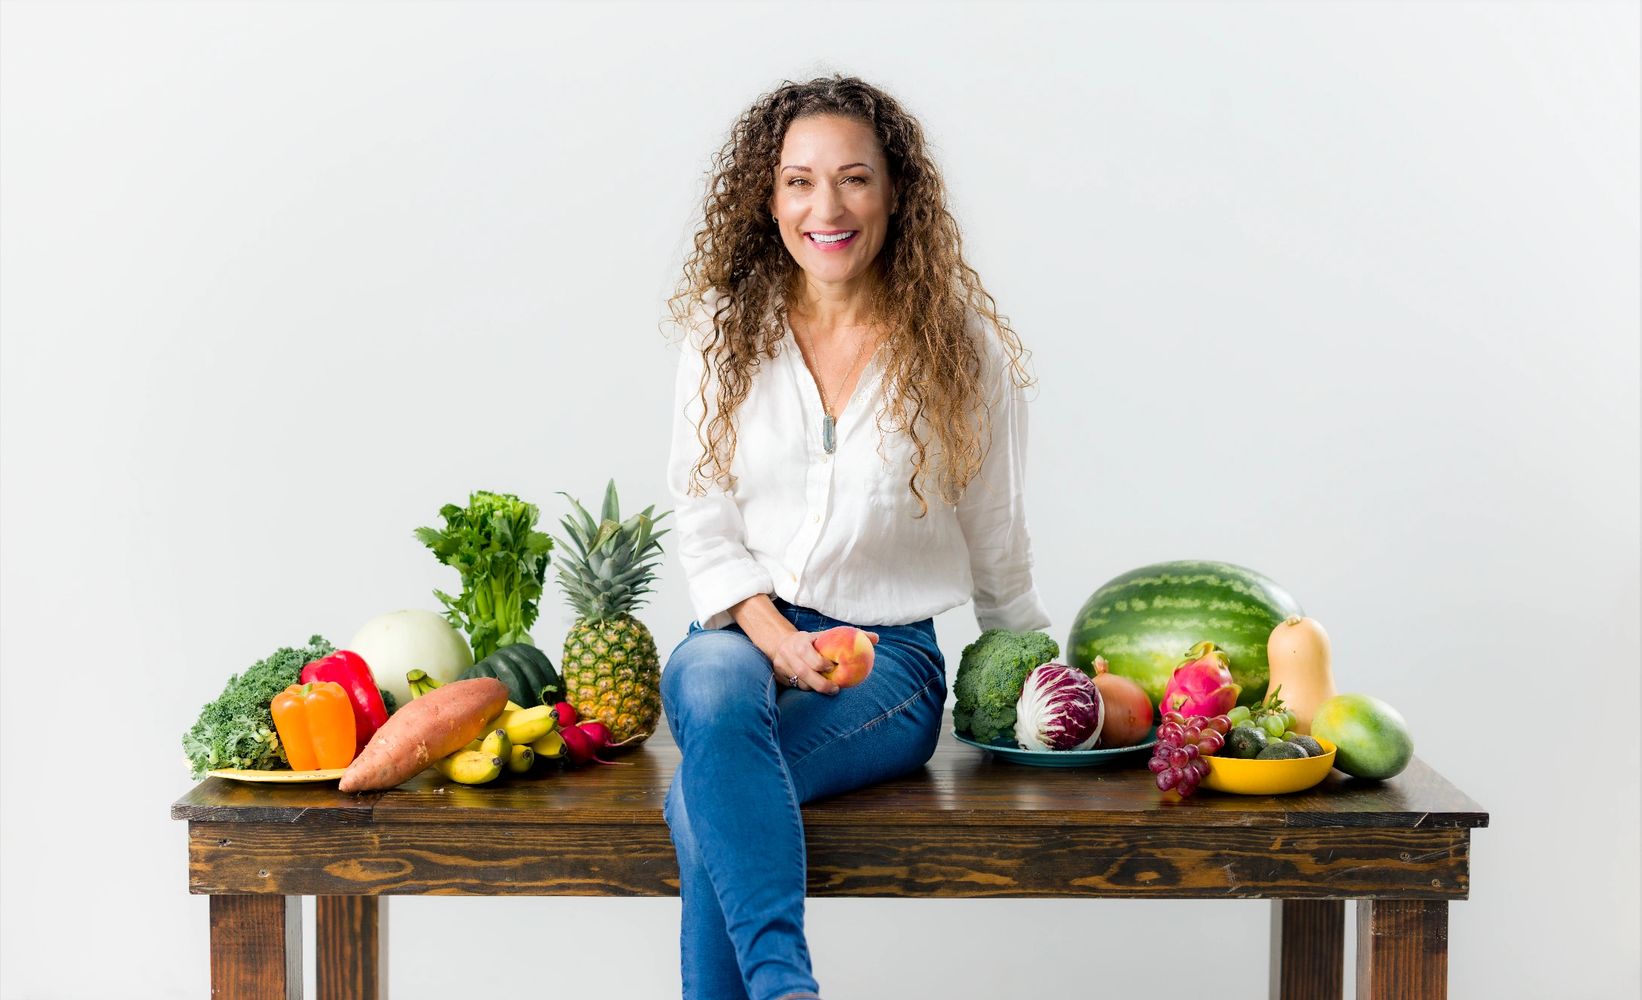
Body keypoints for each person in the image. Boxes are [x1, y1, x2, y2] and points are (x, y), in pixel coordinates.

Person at [659, 74, 1050, 1000]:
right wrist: (773, 637)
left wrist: (1036, 680)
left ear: (895, 191)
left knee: (699, 802)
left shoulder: (956, 347)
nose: (824, 207)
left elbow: (998, 532)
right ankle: (788, 986)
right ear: (769, 196)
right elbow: (701, 509)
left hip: (888, 665)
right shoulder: (725, 330)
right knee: (711, 679)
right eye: (798, 181)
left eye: (853, 179)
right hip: (743, 634)